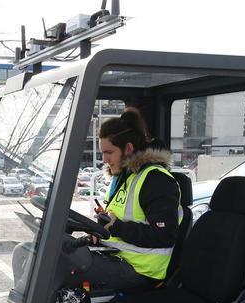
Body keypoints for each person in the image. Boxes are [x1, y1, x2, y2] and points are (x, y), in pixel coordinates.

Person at [60, 110, 181, 291]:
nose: (104, 159)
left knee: (57, 268)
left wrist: (116, 227)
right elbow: (117, 223)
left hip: (141, 270)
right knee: (42, 255)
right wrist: (100, 230)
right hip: (116, 256)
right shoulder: (125, 178)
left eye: (109, 152)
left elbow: (164, 235)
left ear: (128, 149)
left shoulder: (156, 180)